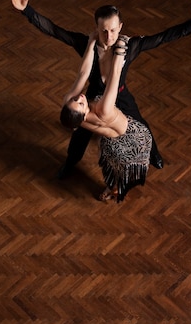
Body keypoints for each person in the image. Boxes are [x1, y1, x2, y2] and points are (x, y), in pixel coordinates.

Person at [7, 0, 191, 179]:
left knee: (141, 123)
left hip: (120, 94)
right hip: (93, 97)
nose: (109, 36)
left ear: (120, 27)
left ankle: (154, 155)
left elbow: (163, 37)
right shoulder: (85, 44)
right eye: (104, 31)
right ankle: (70, 164)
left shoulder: (132, 46)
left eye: (113, 30)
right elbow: (54, 30)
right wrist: (27, 11)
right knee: (80, 136)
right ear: (97, 28)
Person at [60, 33, 150, 202]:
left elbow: (82, 73)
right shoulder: (104, 109)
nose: (79, 97)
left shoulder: (72, 109)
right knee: (117, 165)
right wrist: (121, 47)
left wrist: (91, 42)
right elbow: (115, 75)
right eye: (80, 104)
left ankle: (113, 186)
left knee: (108, 151)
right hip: (134, 138)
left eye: (75, 99)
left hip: (112, 133)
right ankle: (115, 188)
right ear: (83, 114)